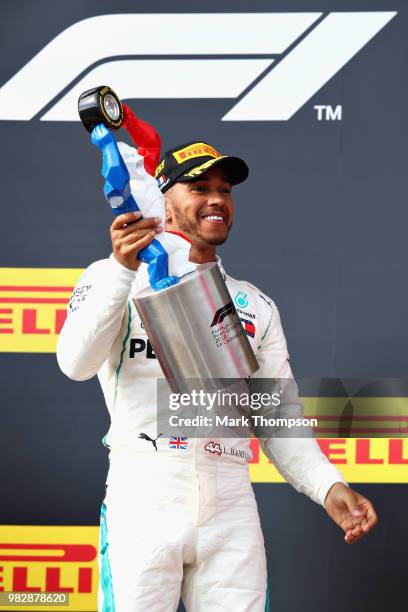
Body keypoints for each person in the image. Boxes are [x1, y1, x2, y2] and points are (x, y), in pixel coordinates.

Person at [57, 140, 378, 612]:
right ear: (163, 200)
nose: (217, 200)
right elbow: (75, 363)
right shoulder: (114, 278)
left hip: (231, 502)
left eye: (225, 190)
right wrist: (121, 270)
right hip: (143, 496)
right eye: (199, 187)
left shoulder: (254, 304)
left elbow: (276, 419)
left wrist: (327, 486)